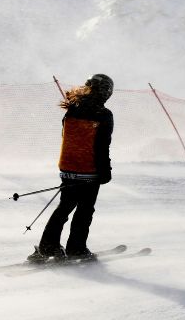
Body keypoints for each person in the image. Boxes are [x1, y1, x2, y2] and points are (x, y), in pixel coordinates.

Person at [28, 74, 115, 262]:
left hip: (67, 166)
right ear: (106, 93)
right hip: (89, 170)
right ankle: (77, 248)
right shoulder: (103, 114)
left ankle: (47, 246)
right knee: (85, 210)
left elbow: (67, 136)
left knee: (64, 207)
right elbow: (101, 145)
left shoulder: (72, 109)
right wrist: (104, 171)